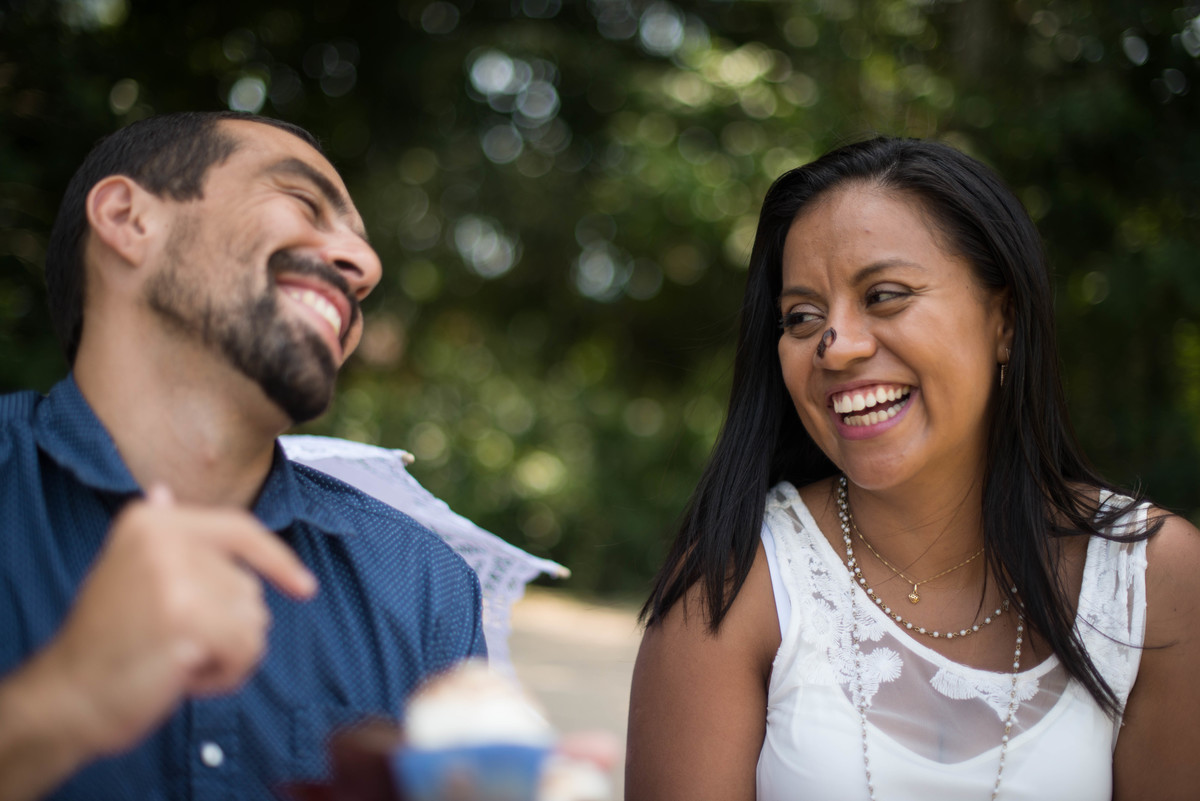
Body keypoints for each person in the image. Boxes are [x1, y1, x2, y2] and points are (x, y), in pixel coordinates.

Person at [626, 137, 1200, 800]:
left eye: (885, 295)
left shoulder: (1154, 581)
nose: (836, 346)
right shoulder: (736, 579)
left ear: (1004, 321)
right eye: (802, 316)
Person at [0, 111, 486, 800]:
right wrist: (64, 699)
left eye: (365, 249)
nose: (366, 267)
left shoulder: (425, 585)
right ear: (129, 219)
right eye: (305, 203)